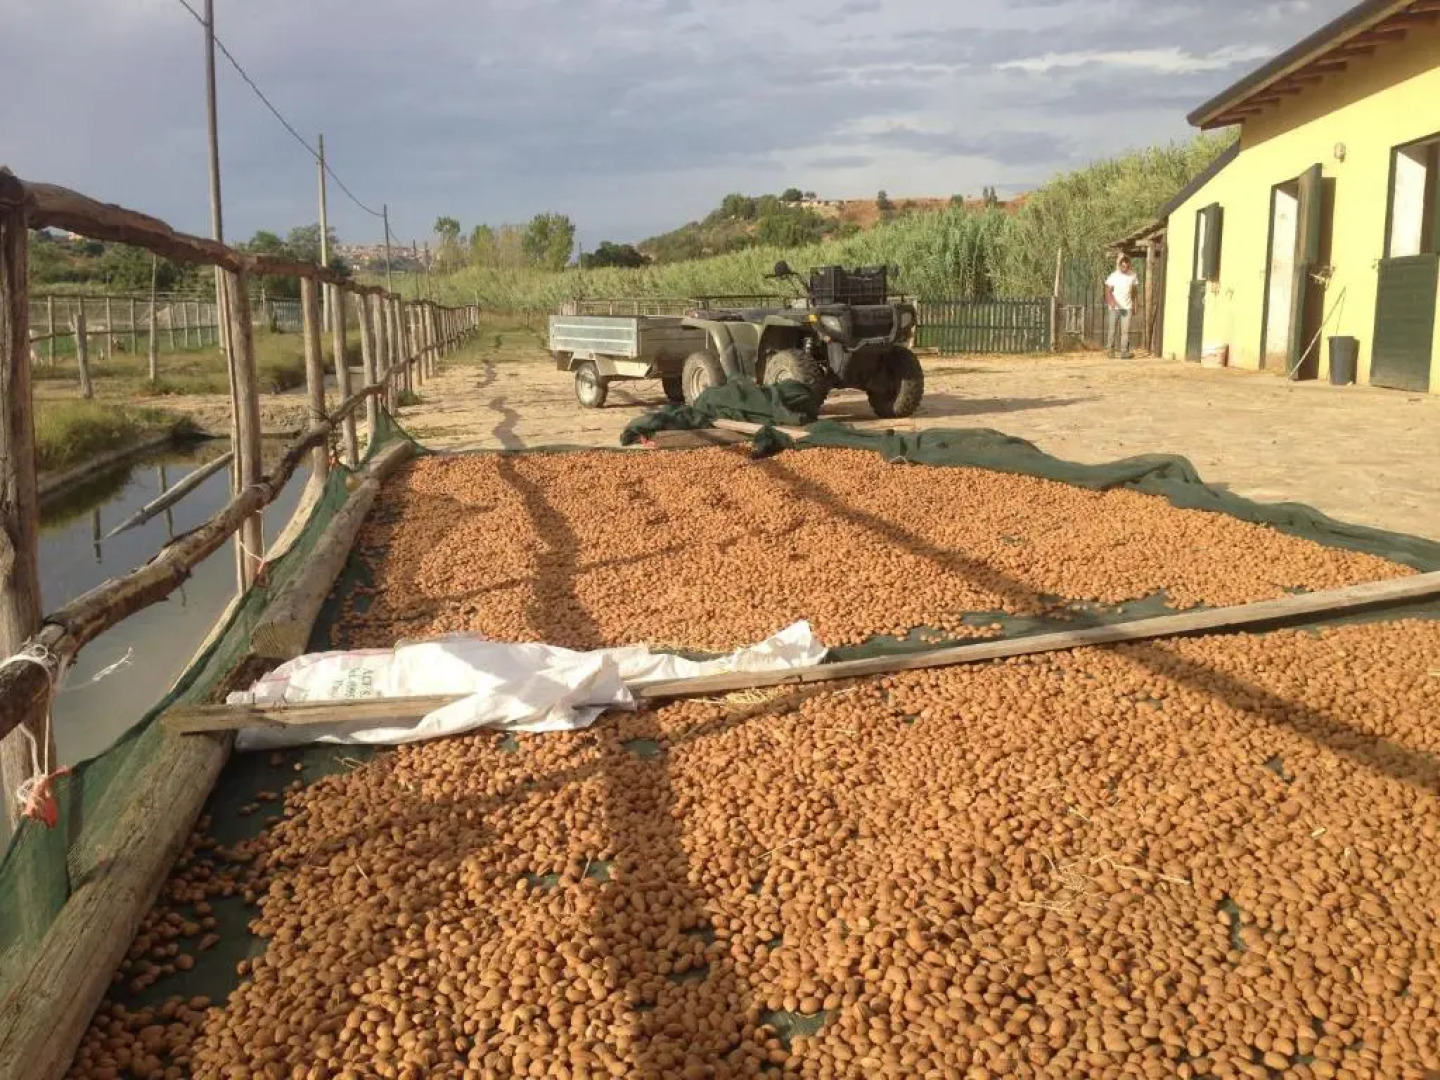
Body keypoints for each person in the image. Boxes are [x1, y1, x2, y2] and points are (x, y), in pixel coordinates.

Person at [1105, 257, 1139, 358]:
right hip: (1115, 308)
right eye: (1123, 266)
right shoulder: (1114, 276)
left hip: (1126, 307)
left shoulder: (1133, 276)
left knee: (1125, 331)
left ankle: (1124, 352)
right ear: (1120, 265)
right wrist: (1111, 302)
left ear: (1129, 266)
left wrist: (1135, 304)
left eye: (1127, 266)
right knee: (1112, 330)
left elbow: (1134, 292)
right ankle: (1110, 351)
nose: (1125, 268)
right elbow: (1107, 291)